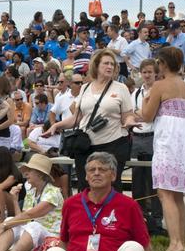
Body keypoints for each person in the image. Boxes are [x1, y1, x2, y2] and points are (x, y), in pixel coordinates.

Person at [138, 46, 185, 251]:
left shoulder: (160, 85)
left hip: (169, 138)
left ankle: (176, 243)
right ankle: (180, 239)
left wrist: (145, 101)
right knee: (178, 194)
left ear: (162, 64)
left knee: (165, 192)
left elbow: (147, 116)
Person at [50, 50, 136, 188]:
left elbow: (128, 115)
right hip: (86, 146)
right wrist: (56, 125)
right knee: (85, 187)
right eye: (106, 63)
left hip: (113, 144)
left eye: (112, 64)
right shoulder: (85, 88)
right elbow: (76, 118)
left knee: (110, 188)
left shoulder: (121, 88)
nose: (110, 67)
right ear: (96, 65)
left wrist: (130, 121)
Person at [0, 154, 63, 251]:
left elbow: (29, 214)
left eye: (29, 170)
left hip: (51, 238)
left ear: (40, 174)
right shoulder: (32, 191)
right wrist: (15, 201)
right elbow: (22, 219)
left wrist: (4, 226)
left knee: (33, 225)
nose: (26, 174)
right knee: (11, 219)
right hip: (32, 236)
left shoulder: (53, 192)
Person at [129, 60, 160, 228]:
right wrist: (143, 114)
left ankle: (156, 219)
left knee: (154, 180)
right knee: (138, 179)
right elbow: (132, 113)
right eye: (144, 72)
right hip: (137, 136)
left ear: (155, 73)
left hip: (153, 136)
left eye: (150, 72)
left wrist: (143, 114)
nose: (147, 75)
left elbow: (153, 115)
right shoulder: (136, 93)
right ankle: (140, 217)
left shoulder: (159, 91)